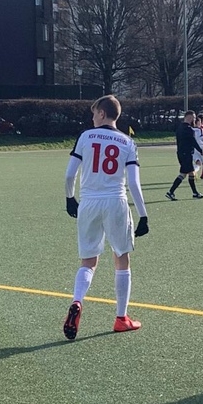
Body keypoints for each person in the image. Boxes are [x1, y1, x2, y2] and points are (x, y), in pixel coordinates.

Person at [63, 95, 149, 339]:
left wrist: (70, 198)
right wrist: (143, 215)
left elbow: (69, 175)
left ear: (102, 113)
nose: (92, 118)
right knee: (121, 259)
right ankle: (121, 318)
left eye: (94, 113)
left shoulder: (85, 136)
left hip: (89, 202)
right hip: (115, 202)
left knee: (88, 261)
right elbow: (134, 183)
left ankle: (77, 301)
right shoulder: (127, 142)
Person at [165, 111, 203, 201]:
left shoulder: (179, 128)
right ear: (189, 117)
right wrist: (201, 151)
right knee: (183, 174)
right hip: (186, 154)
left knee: (190, 173)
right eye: (193, 118)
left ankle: (195, 193)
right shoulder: (188, 129)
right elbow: (193, 142)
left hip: (181, 153)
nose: (194, 120)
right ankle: (170, 192)